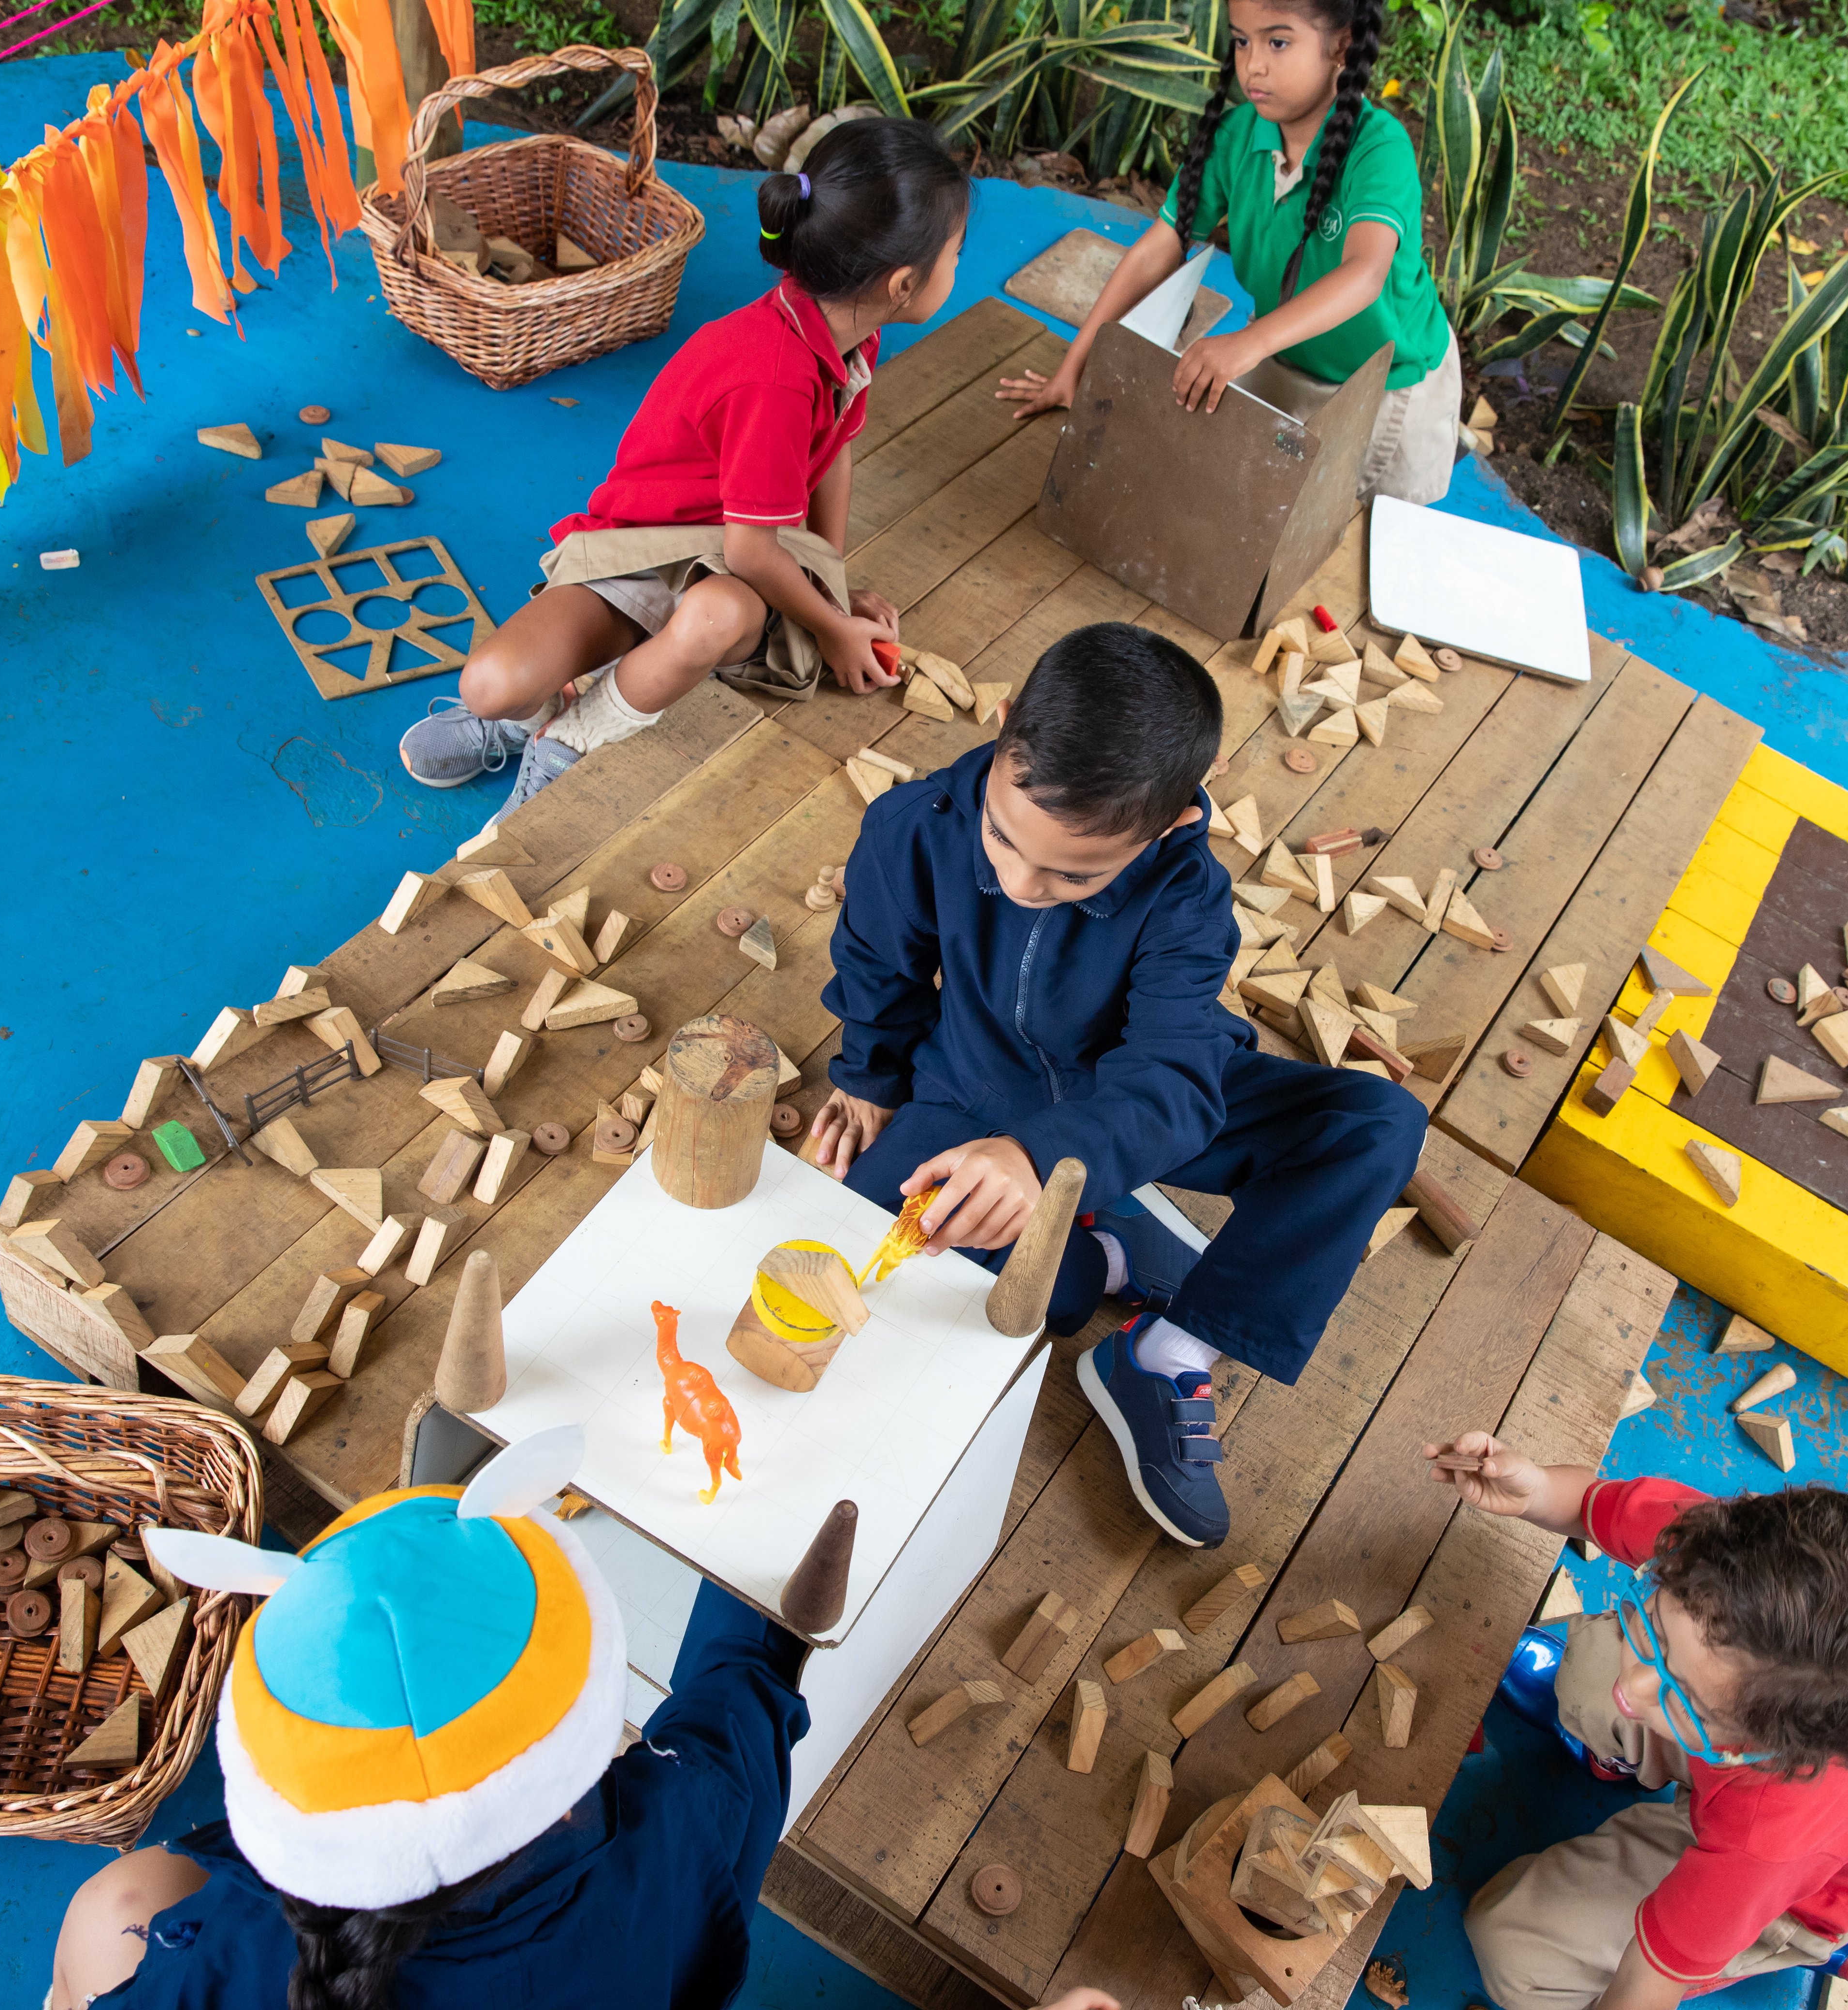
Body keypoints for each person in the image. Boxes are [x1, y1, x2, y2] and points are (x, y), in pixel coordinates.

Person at [811, 621, 1426, 1550]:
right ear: (1009, 727)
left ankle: (1167, 1350)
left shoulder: (1186, 894)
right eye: (1004, 839)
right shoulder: (914, 824)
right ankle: (1101, 1251)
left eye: (1072, 874)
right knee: (899, 1293)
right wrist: (868, 1079)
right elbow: (876, 966)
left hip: (1148, 1104)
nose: (1020, 883)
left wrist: (1042, 1159)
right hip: (971, 1092)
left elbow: (1174, 1079)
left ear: (1172, 824)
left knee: (1378, 1123)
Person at [43, 1428, 811, 2010]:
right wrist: (776, 1469)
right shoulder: (685, 1821)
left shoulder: (196, 1956)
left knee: (116, 1905)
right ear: (571, 1752)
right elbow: (742, 1682)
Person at [399, 117, 968, 809]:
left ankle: (570, 740)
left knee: (716, 616)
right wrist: (833, 630)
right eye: (958, 253)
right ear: (904, 283)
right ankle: (523, 720)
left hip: (724, 572)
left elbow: (834, 455)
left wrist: (830, 586)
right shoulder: (775, 378)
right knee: (490, 686)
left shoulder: (848, 334)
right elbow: (754, 550)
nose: (960, 265)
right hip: (639, 551)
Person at [1423, 1436, 1848, 2010]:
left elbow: (1646, 1986)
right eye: (1656, 1630)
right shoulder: (1722, 1559)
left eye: (1682, 1695)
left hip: (1789, 1894)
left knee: (1513, 1945)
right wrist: (1535, 1487)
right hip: (1733, 1780)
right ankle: (1635, 1746)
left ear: (1768, 1746)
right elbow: (1588, 1502)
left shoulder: (1766, 1841)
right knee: (1594, 1669)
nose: (1632, 1690)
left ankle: (1802, 1945)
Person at [996, 0, 1460, 506]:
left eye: (1278, 43)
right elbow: (1161, 247)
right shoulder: (1236, 136)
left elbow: (1364, 275)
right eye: (1242, 40)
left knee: (1356, 548)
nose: (1253, 65)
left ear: (1342, 46)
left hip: (1384, 392)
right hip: (1282, 359)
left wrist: (1249, 342)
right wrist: (1076, 364)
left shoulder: (1379, 147)